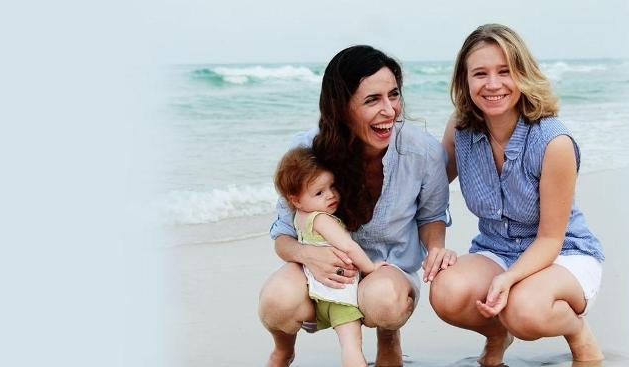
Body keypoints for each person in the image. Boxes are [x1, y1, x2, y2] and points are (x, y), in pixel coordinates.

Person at [257, 45, 456, 367]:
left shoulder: (424, 152)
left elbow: (431, 215)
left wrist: (436, 248)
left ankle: (388, 337)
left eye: (394, 95)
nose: (390, 110)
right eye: (372, 100)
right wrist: (309, 255)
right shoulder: (306, 150)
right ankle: (283, 348)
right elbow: (282, 234)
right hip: (320, 271)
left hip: (387, 269)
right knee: (277, 302)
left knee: (384, 301)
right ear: (342, 107)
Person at [431, 24, 607, 365]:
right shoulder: (460, 129)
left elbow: (550, 239)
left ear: (523, 75)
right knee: (446, 292)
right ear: (464, 81)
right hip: (496, 250)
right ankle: (498, 335)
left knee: (523, 311)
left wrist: (508, 280)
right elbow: (430, 192)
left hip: (562, 254)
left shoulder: (553, 142)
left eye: (504, 72)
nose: (493, 84)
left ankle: (577, 333)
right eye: (480, 73)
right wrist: (435, 243)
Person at [272, 147, 389, 367]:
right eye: (319, 193)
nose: (331, 195)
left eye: (332, 186)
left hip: (317, 296)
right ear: (295, 200)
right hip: (339, 295)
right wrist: (372, 269)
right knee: (351, 346)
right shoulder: (323, 220)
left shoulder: (300, 218)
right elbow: (349, 247)